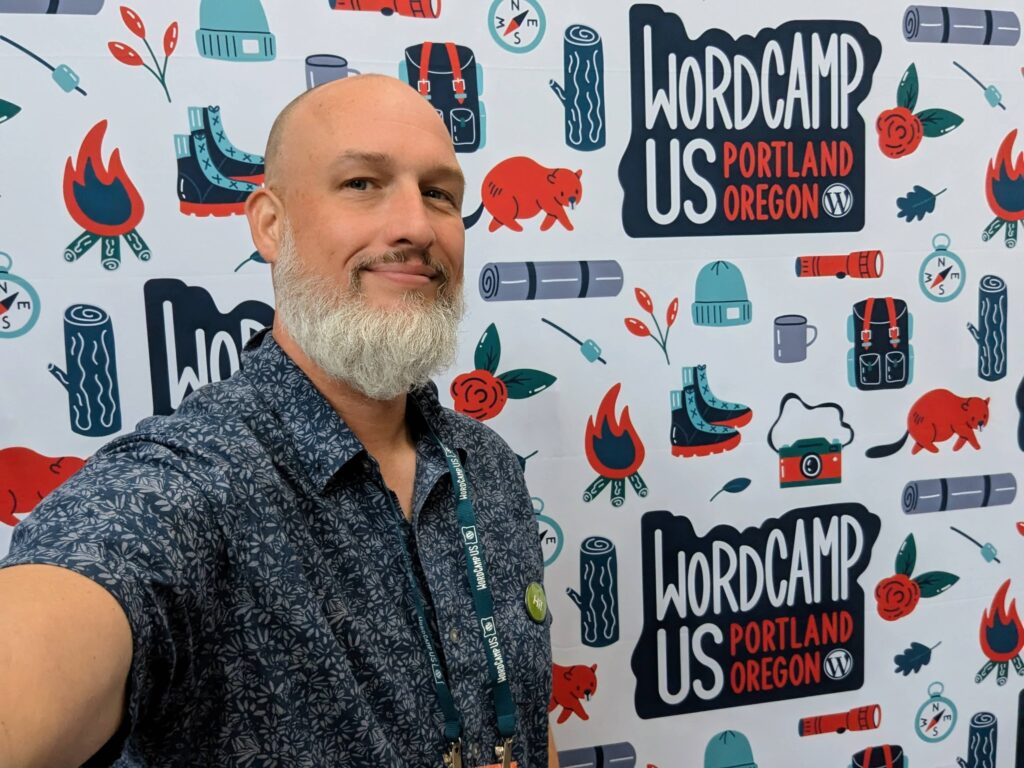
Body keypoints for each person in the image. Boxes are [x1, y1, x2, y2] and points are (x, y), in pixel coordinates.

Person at [0, 74, 556, 767]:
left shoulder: (488, 469)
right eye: (362, 183)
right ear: (270, 223)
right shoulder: (187, 488)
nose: (416, 225)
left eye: (439, 194)